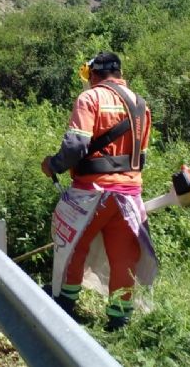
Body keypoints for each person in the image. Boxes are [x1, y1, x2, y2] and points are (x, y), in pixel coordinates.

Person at [40, 51, 156, 332]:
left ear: (94, 73)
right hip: (129, 197)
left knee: (73, 247)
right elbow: (142, 155)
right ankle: (119, 322)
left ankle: (65, 306)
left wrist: (52, 164)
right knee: (124, 258)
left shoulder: (89, 98)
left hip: (92, 193)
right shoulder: (141, 105)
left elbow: (75, 147)